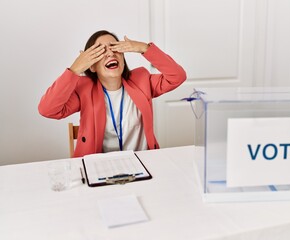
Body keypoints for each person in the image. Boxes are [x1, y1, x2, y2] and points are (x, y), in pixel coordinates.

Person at [38, 30, 186, 157]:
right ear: (92, 66)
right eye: (101, 51)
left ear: (122, 58)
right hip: (99, 169)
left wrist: (143, 48)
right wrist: (75, 69)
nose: (110, 53)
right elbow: (47, 109)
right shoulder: (84, 90)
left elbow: (177, 76)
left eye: (115, 48)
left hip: (143, 164)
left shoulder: (142, 80)